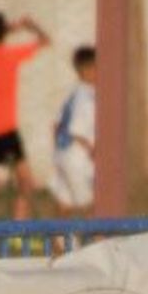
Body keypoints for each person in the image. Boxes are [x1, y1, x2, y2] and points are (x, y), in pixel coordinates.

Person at [0, 11, 49, 221]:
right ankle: (18, 229)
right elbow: (45, 41)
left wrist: (5, 28)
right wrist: (26, 25)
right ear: (3, 34)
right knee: (25, 182)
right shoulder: (11, 55)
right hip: (6, 130)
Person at [50, 45, 97, 216]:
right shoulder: (87, 97)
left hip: (63, 154)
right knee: (91, 206)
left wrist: (58, 150)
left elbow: (55, 125)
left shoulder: (74, 92)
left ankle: (60, 242)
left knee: (65, 203)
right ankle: (100, 243)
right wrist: (92, 149)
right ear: (87, 70)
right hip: (77, 157)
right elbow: (75, 130)